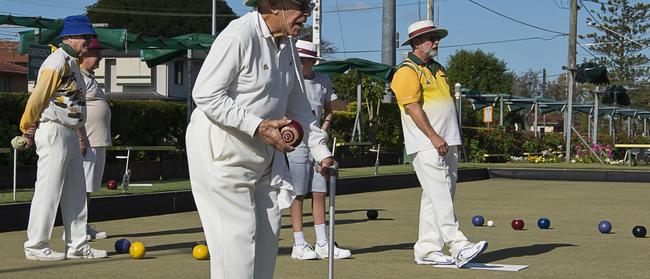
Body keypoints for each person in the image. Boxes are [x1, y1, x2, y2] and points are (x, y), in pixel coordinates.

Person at [186, 0, 335, 278]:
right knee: (237, 249)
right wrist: (257, 126)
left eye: (310, 5)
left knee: (267, 243)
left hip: (264, 158)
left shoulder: (288, 45)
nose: (308, 12)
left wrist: (321, 150)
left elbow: (299, 104)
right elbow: (206, 93)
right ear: (274, 4)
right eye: (301, 4)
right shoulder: (238, 35)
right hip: (221, 156)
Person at [390, 20, 487, 268]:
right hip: (426, 144)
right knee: (441, 194)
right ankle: (458, 244)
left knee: (436, 196)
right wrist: (433, 136)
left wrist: (450, 137)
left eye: (435, 37)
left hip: (447, 141)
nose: (436, 42)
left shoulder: (439, 69)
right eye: (431, 38)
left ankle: (427, 249)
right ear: (415, 43)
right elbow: (412, 107)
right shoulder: (406, 71)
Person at [20, 15, 107, 260]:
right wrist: (27, 127)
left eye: (89, 37)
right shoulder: (55, 62)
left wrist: (80, 135)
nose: (89, 42)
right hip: (53, 131)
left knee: (77, 192)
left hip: (69, 133)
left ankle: (78, 246)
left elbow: (74, 105)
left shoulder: (73, 64)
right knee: (48, 191)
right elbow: (37, 98)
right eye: (85, 37)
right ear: (68, 38)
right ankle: (36, 247)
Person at [288, 40, 351, 260]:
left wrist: (325, 126)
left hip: (317, 141)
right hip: (294, 142)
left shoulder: (323, 80)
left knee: (319, 191)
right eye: (304, 59)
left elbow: (330, 108)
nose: (307, 62)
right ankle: (298, 243)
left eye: (310, 59)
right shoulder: (290, 80)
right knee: (297, 192)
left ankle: (323, 242)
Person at [80, 37, 110, 240]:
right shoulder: (78, 77)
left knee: (89, 187)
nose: (100, 57)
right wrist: (80, 137)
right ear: (84, 54)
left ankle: (82, 226)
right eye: (97, 53)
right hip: (87, 141)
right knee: (82, 187)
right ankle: (75, 229)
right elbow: (73, 108)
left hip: (97, 140)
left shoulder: (89, 77)